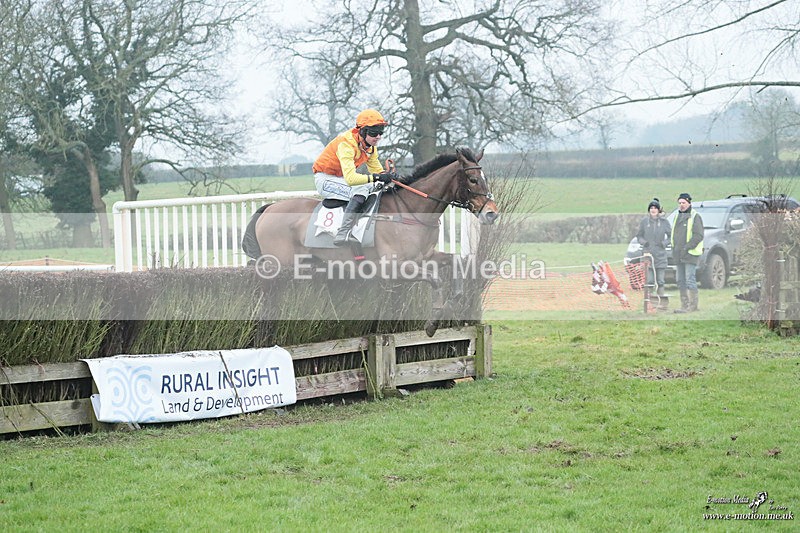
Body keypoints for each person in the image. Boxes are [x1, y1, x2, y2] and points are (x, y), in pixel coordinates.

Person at [312, 109, 396, 246]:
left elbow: (377, 170)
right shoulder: (346, 144)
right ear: (362, 131)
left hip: (340, 179)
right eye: (374, 133)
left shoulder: (370, 147)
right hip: (325, 180)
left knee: (374, 187)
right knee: (361, 189)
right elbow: (351, 179)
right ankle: (343, 233)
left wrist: (388, 176)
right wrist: (376, 177)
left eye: (381, 132)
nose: (378, 137)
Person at [671, 192, 704, 312]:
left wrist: (686, 248)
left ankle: (693, 306)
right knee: (680, 281)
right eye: (679, 203)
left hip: (690, 253)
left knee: (690, 279)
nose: (681, 205)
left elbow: (698, 235)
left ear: (689, 203)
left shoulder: (695, 216)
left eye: (683, 202)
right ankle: (684, 305)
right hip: (678, 253)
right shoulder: (677, 216)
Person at [636, 198, 672, 306]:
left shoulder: (664, 222)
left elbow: (671, 237)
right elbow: (639, 236)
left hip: (660, 255)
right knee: (650, 281)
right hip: (648, 255)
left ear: (658, 210)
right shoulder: (644, 222)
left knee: (660, 281)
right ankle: (650, 303)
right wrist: (644, 242)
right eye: (651, 208)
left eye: (655, 208)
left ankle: (661, 303)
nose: (653, 210)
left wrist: (664, 243)